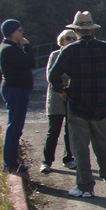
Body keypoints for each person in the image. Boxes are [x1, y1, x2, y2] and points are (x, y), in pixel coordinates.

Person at [49, 11, 106, 198]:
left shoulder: (69, 50)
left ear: (76, 31)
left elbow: (53, 75)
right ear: (92, 30)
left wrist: (62, 91)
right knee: (103, 144)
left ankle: (85, 186)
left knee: (80, 147)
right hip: (101, 104)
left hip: (77, 105)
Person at [0, 19, 35, 174]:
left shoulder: (11, 48)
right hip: (16, 90)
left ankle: (10, 161)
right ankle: (10, 163)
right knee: (14, 127)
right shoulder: (9, 49)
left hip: (16, 89)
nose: (22, 33)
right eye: (20, 30)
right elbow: (30, 63)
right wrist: (27, 46)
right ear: (12, 32)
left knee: (15, 126)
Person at [40, 30, 77, 173]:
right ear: (61, 41)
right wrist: (63, 85)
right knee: (53, 131)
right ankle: (47, 161)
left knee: (70, 131)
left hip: (72, 97)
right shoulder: (55, 55)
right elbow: (51, 75)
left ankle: (69, 158)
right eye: (68, 38)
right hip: (56, 97)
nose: (71, 40)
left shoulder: (77, 55)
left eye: (74, 38)